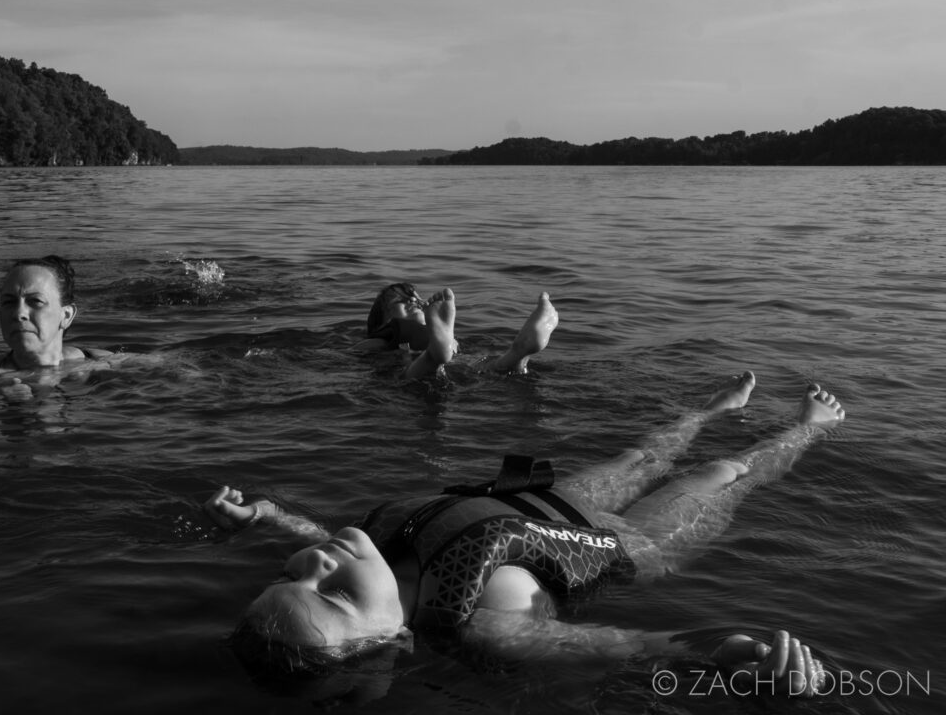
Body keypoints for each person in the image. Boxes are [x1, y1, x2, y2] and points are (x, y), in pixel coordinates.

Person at [204, 373, 846, 698]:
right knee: (720, 475)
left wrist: (265, 518)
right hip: (627, 546)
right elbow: (624, 646)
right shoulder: (483, 623)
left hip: (547, 505)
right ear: (390, 637)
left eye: (291, 574)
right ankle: (806, 428)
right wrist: (718, 658)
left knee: (641, 458)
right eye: (333, 593)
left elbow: (325, 546)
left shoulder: (372, 553)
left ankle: (710, 410)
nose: (317, 559)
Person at [354, 283, 557, 380]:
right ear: (382, 324)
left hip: (447, 368)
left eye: (415, 300)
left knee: (481, 365)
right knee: (488, 368)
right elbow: (358, 351)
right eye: (398, 301)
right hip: (443, 369)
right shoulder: (380, 340)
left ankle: (519, 353)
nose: (412, 302)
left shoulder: (445, 338)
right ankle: (519, 355)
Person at [0, 255, 112, 379]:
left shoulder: (103, 362)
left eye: (36, 301)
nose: (19, 314)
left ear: (66, 315)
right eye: (9, 302)